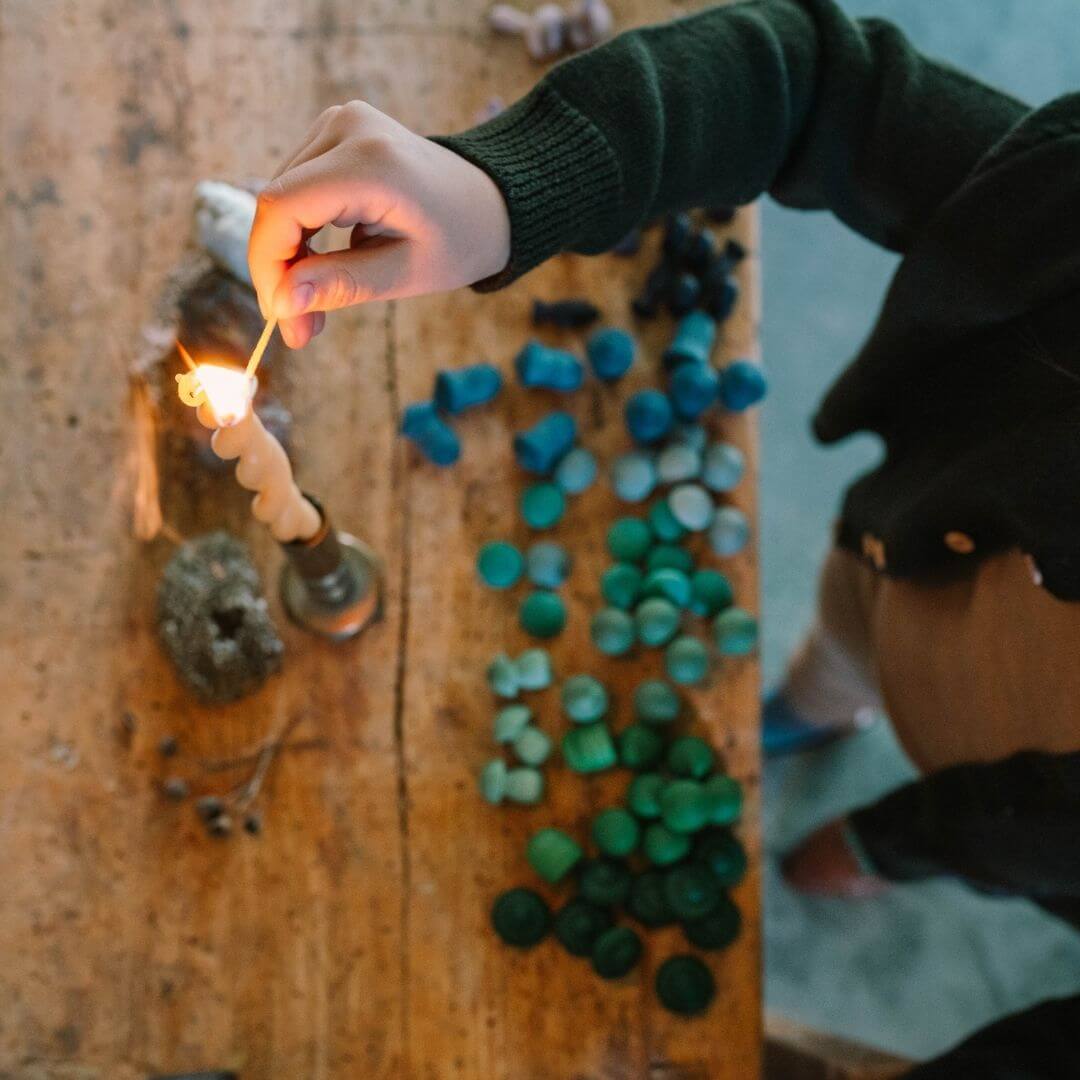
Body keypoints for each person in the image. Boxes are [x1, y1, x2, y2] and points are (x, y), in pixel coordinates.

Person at [246, 0, 1080, 1072]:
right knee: (840, 654)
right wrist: (501, 188)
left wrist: (886, 845)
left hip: (1019, 837)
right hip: (901, 571)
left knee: (958, 822)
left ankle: (869, 812)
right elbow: (818, 87)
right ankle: (819, 710)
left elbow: (1018, 845)